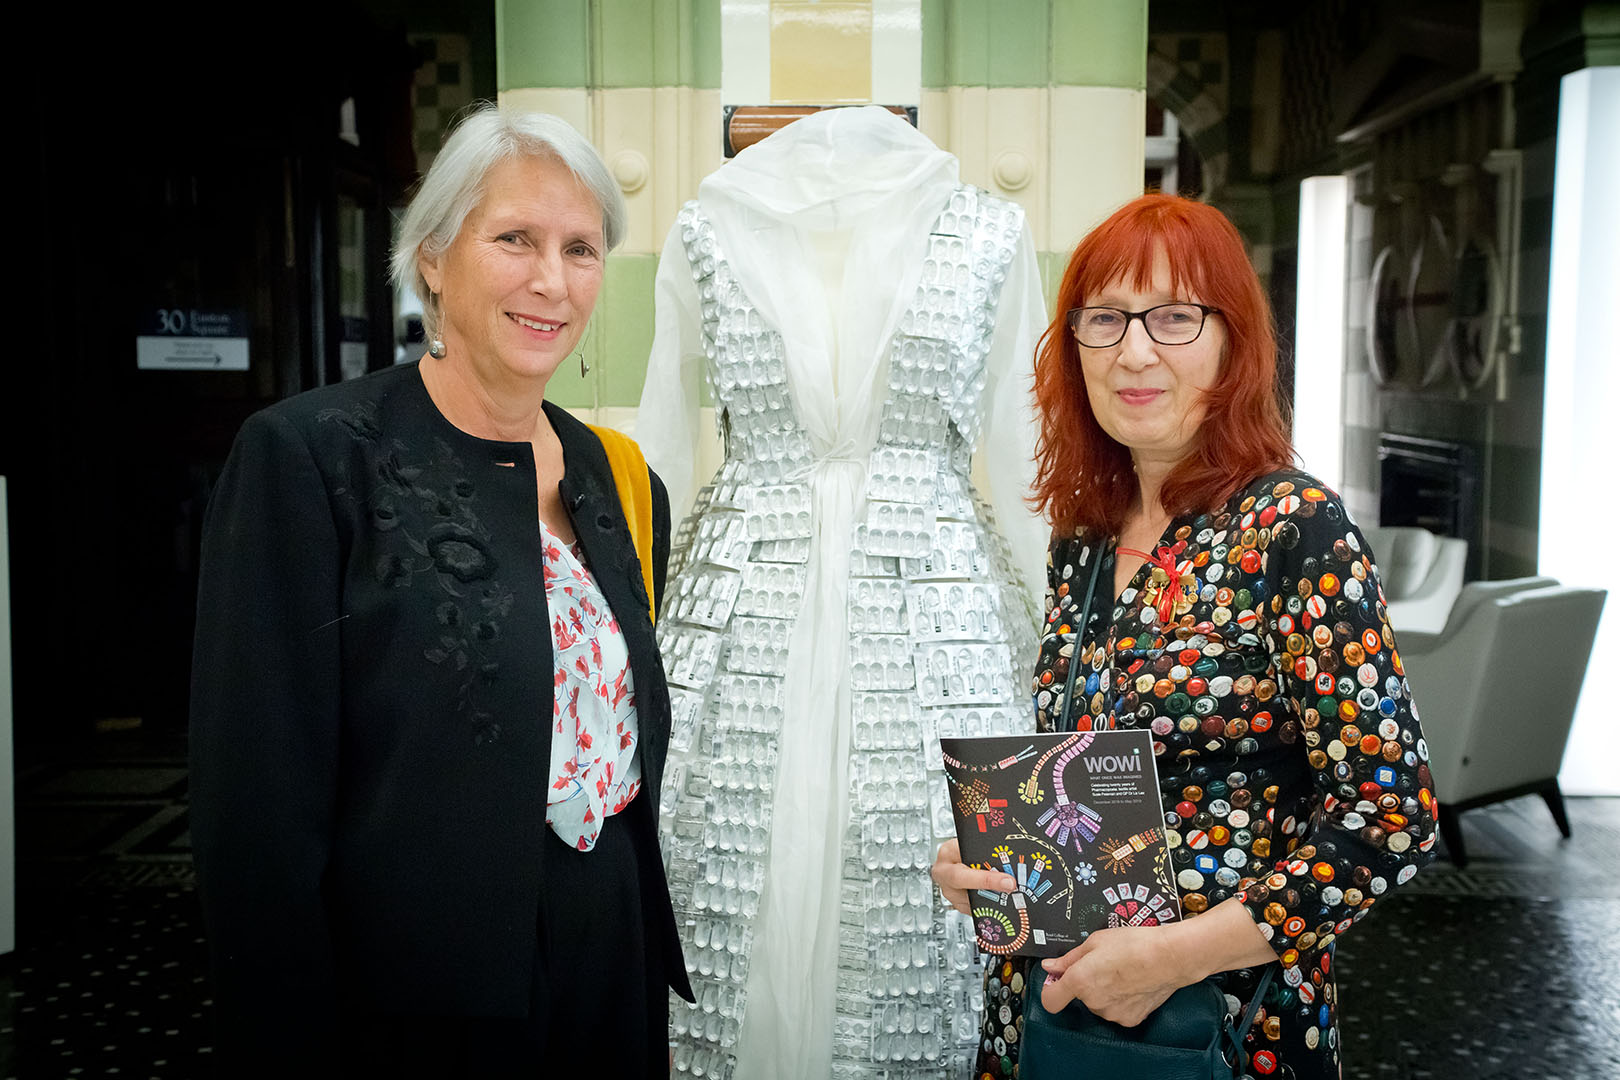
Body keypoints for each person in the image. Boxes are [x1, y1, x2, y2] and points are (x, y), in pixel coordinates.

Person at [189, 103, 690, 1077]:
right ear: (431, 257)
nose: (552, 281)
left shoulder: (614, 475)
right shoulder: (312, 458)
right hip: (416, 989)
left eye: (580, 249)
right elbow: (256, 809)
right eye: (515, 239)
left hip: (609, 949)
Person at [930, 193, 1438, 1079]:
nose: (1134, 351)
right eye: (1105, 319)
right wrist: (996, 863)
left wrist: (1170, 956)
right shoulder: (1086, 534)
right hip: (1056, 1012)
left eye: (1173, 317)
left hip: (1223, 1024)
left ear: (1234, 343)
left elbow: (1390, 819)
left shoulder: (1292, 528)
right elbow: (1092, 782)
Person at [637, 106, 1049, 1079]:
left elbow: (1025, 446)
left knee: (944, 893)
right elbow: (660, 448)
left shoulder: (991, 234)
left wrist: (1062, 635)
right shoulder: (703, 231)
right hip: (748, 604)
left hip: (933, 613)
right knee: (724, 868)